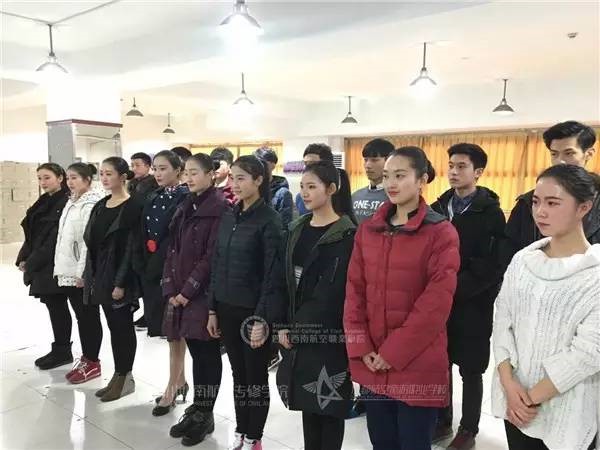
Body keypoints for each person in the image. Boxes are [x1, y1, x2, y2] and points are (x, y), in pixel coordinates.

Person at [344, 146, 460, 450]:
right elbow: (354, 292)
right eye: (386, 176)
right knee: (382, 442)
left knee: (413, 443)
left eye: (400, 175)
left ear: (421, 179)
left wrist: (392, 353)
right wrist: (362, 346)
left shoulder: (440, 232)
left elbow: (436, 305)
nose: (391, 183)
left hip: (417, 362)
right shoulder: (368, 230)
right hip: (372, 361)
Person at [492, 164, 599, 450]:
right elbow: (502, 321)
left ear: (583, 207)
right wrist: (509, 384)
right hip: (515, 402)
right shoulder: (523, 261)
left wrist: (529, 398)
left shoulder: (594, 273)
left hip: (566, 409)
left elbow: (588, 353)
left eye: (553, 203)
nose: (540, 212)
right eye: (536, 202)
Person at [274, 160, 356, 450]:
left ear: (331, 189)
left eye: (312, 187)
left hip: (329, 335)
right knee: (308, 404)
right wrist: (282, 325)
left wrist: (297, 328)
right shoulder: (296, 229)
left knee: (329, 406)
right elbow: (282, 281)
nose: (305, 193)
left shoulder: (348, 236)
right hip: (296, 333)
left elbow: (332, 294)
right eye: (302, 187)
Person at [430, 143, 506, 449]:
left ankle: (468, 429)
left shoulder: (491, 213)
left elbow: (492, 264)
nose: (453, 172)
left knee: (471, 369)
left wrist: (454, 288)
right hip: (438, 303)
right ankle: (442, 419)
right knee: (440, 364)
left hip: (473, 303)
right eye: (451, 165)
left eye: (461, 166)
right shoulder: (437, 208)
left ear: (478, 172)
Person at [207, 155, 282, 450]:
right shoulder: (229, 215)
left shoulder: (270, 221)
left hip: (253, 313)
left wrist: (261, 319)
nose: (235, 184)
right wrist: (212, 309)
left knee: (255, 377)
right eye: (232, 178)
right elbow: (217, 264)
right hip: (226, 307)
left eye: (242, 178)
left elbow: (272, 276)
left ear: (259, 180)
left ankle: (255, 436)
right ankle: (241, 429)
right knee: (239, 375)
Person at [163, 153, 229, 446]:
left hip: (204, 295)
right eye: (186, 173)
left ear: (211, 174)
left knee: (208, 355)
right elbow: (173, 250)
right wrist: (170, 288)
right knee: (196, 353)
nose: (188, 178)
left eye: (194, 173)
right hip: (181, 293)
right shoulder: (185, 205)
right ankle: (198, 408)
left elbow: (211, 257)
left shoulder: (220, 208)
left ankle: (206, 412)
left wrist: (186, 291)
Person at [134, 150, 189, 416]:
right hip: (153, 268)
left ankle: (172, 386)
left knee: (176, 331)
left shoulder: (186, 198)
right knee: (169, 331)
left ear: (178, 170)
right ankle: (180, 380)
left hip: (175, 270)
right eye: (155, 168)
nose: (157, 173)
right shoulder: (153, 196)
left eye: (163, 168)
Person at [83, 157, 143, 402]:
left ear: (123, 176)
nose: (105, 178)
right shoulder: (101, 205)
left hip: (120, 279)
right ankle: (118, 375)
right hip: (101, 275)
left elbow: (131, 249)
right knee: (113, 327)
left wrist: (121, 283)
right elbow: (92, 242)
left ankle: (125, 377)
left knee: (122, 328)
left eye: (109, 173)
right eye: (102, 173)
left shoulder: (132, 206)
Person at [502, 121, 598, 267]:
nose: (560, 161)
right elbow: (508, 251)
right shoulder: (527, 202)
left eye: (569, 153)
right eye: (554, 154)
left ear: (588, 154)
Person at [16, 163, 71, 370]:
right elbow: (32, 233)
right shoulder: (44, 200)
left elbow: (52, 239)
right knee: (53, 305)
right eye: (40, 178)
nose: (42, 182)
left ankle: (63, 350)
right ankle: (60, 348)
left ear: (60, 178)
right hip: (41, 262)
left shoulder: (64, 201)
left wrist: (31, 262)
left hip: (53, 264)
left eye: (47, 177)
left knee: (58, 306)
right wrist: (23, 257)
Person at [54, 162, 105, 384]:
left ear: (87, 180)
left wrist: (82, 272)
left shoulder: (91, 204)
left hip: (80, 273)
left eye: (74, 177)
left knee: (88, 317)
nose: (70, 182)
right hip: (67, 269)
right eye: (68, 178)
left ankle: (93, 361)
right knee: (81, 317)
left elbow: (87, 241)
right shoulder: (72, 201)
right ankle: (86, 358)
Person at [352, 138, 394, 224]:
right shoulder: (355, 196)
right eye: (365, 160)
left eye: (374, 160)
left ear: (389, 161)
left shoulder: (396, 196)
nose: (367, 165)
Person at [254, 146, 293, 229]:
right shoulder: (253, 188)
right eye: (256, 163)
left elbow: (284, 226)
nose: (258, 166)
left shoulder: (282, 193)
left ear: (273, 165)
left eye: (262, 162)